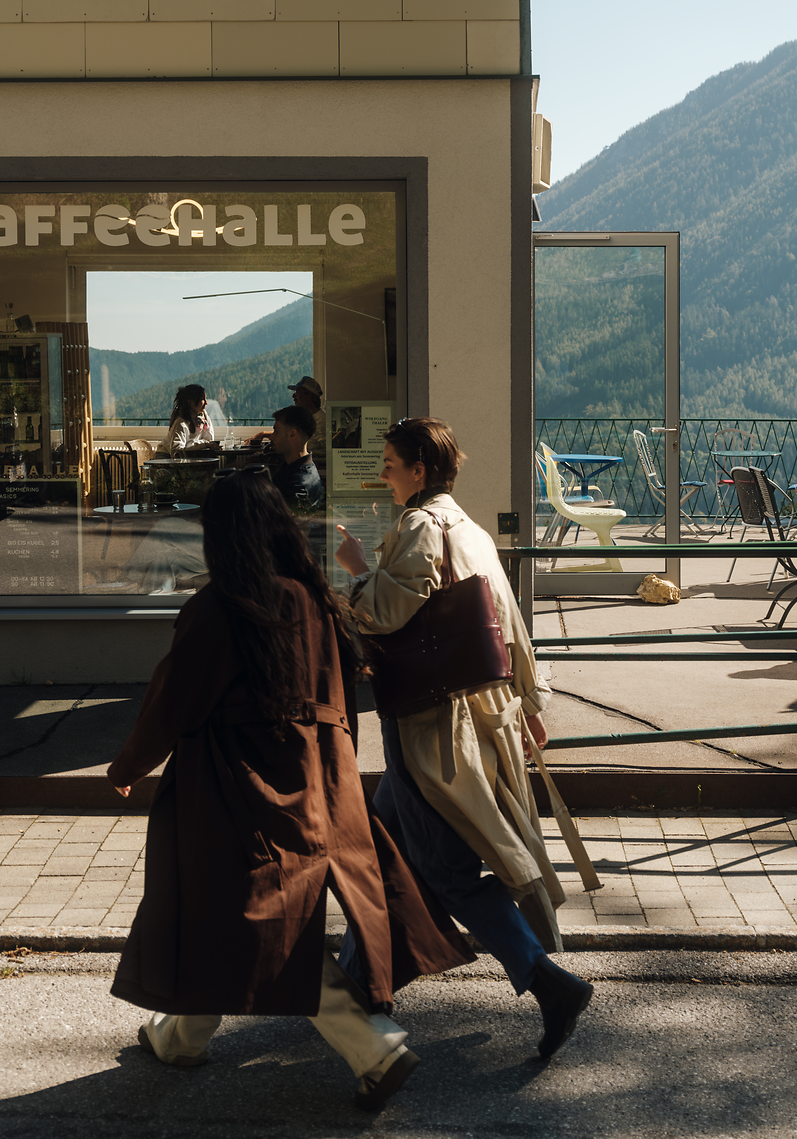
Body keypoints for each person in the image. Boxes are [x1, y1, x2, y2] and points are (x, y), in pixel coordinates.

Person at [106, 469, 472, 1112]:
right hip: (323, 781)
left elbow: (174, 702)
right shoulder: (318, 604)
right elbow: (341, 704)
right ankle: (180, 1036)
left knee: (260, 916)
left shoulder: (217, 610)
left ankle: (372, 1046)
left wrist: (127, 767)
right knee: (242, 914)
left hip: (241, 788)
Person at [333, 417, 595, 1063]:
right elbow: (509, 619)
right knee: (380, 853)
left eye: (393, 462)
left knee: (444, 870)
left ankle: (547, 980)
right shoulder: (469, 529)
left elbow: (383, 612)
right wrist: (531, 703)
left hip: (430, 732)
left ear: (420, 469)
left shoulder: (422, 528)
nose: (385, 472)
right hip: (470, 719)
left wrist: (358, 570)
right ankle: (361, 983)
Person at [268, 404, 324, 515]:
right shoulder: (294, 467)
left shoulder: (298, 487)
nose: (271, 437)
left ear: (292, 434)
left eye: (276, 431)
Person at [165, 384, 215, 452]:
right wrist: (203, 445)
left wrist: (203, 445)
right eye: (202, 399)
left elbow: (209, 440)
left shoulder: (204, 418)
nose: (206, 403)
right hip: (166, 458)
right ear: (190, 402)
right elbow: (176, 450)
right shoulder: (181, 422)